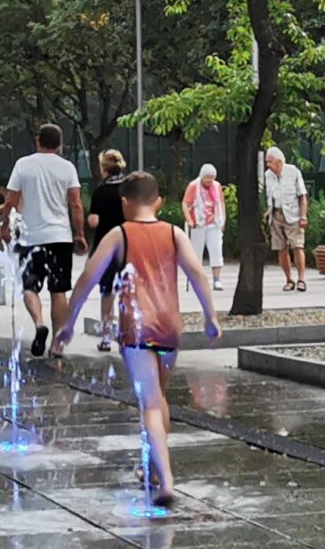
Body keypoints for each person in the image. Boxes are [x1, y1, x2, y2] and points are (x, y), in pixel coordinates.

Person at [52, 172, 219, 505]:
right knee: (160, 396)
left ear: (124, 203)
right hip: (170, 327)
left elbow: (87, 278)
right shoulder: (173, 233)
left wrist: (69, 322)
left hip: (137, 329)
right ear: (158, 202)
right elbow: (197, 273)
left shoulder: (119, 234)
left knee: (151, 403)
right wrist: (210, 316)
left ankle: (166, 479)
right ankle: (153, 470)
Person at [5, 124, 87, 358]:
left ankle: (40, 323)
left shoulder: (23, 164)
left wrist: (3, 226)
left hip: (32, 238)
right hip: (60, 237)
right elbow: (76, 203)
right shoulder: (67, 167)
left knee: (29, 286)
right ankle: (57, 345)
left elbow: (11, 200)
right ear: (59, 144)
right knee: (58, 289)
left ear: (38, 140)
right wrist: (79, 233)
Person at [86, 149, 129, 351]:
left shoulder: (100, 191)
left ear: (103, 168)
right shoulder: (129, 188)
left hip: (106, 247)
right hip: (129, 244)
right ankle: (128, 335)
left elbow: (94, 221)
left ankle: (106, 336)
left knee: (107, 291)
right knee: (128, 291)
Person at [262, 146, 310, 293]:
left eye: (269, 162)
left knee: (297, 246)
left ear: (279, 162)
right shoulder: (268, 175)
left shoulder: (293, 171)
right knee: (281, 248)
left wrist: (303, 216)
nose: (267, 165)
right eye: (266, 162)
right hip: (276, 214)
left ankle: (301, 279)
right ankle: (289, 280)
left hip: (293, 215)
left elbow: (302, 195)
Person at [182, 164, 226, 291]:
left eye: (212, 178)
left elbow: (221, 203)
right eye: (207, 178)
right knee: (196, 253)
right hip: (197, 224)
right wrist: (189, 220)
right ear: (202, 176)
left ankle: (217, 280)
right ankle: (197, 280)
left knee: (216, 250)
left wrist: (223, 220)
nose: (209, 180)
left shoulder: (216, 186)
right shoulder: (193, 186)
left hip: (214, 223)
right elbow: (185, 203)